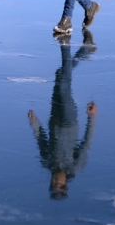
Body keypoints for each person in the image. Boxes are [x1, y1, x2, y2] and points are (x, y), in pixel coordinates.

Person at [27, 30, 98, 199]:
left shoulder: (48, 163)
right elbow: (86, 143)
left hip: (54, 118)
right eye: (57, 184)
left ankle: (84, 51)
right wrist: (92, 117)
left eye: (52, 184)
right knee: (64, 83)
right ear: (65, 185)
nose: (54, 181)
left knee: (60, 77)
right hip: (69, 120)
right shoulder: (75, 166)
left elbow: (41, 140)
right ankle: (65, 43)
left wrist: (35, 122)